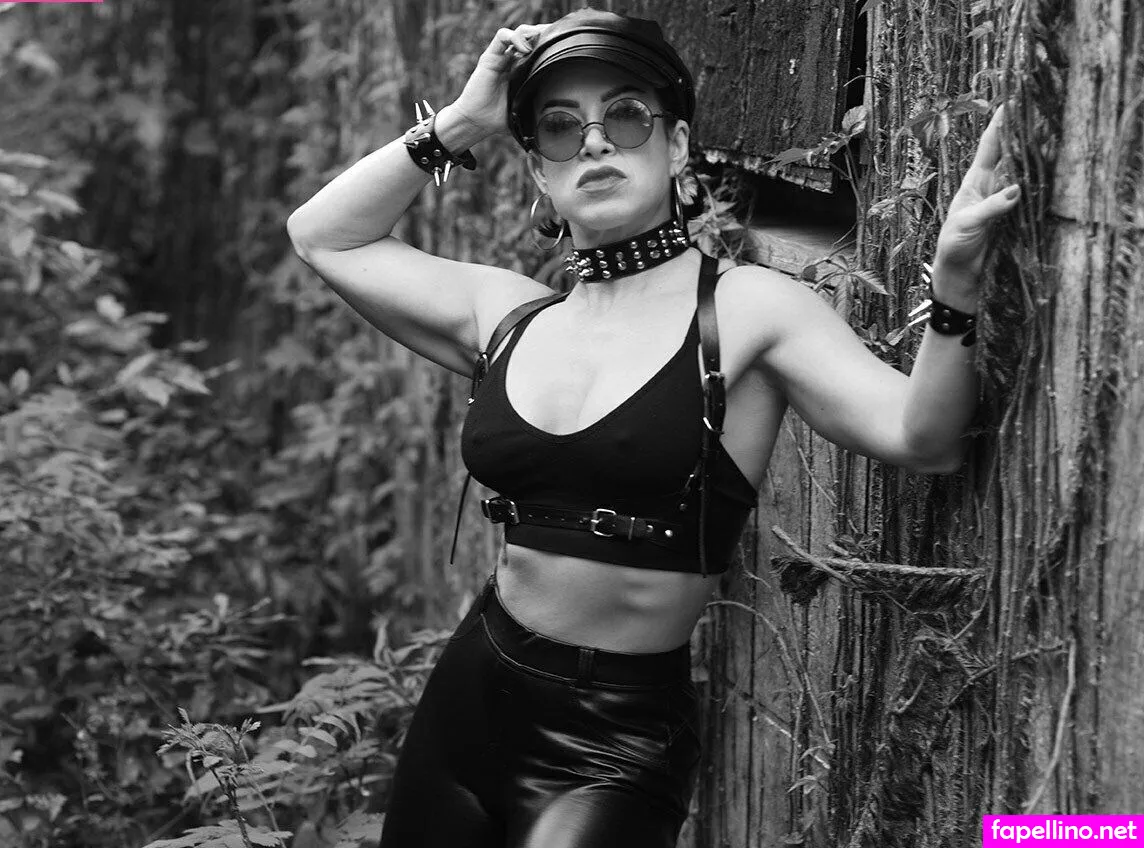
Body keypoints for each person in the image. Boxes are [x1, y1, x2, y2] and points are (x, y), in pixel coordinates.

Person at [286, 8, 1020, 847]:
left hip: (611, 741)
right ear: (540, 173)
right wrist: (462, 122)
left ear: (674, 147)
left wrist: (955, 289)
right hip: (471, 695)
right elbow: (323, 237)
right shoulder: (507, 316)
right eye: (561, 129)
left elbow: (922, 437)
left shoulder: (746, 310)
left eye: (626, 117)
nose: (595, 142)